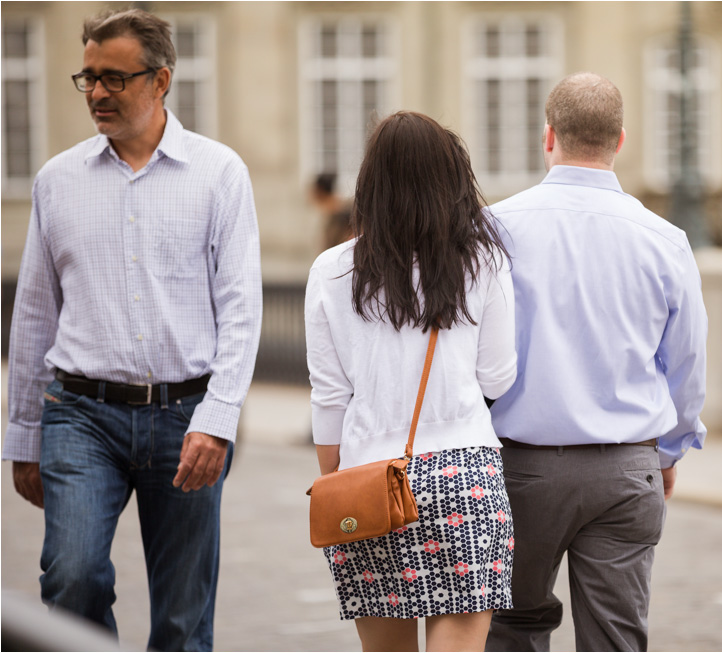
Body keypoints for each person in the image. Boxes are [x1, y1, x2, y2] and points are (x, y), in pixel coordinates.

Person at [2, 9, 262, 651]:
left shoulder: (219, 173)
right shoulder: (57, 182)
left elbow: (241, 307)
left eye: (114, 79)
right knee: (72, 578)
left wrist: (219, 418)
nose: (96, 93)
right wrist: (23, 436)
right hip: (80, 414)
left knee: (181, 615)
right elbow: (35, 312)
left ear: (161, 79)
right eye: (87, 77)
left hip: (187, 417)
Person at [485, 72, 709, 652]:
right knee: (616, 639)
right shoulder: (665, 238)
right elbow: (686, 361)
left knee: (513, 628)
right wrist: (669, 451)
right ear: (621, 140)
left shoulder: (494, 229)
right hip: (627, 468)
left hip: (520, 468)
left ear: (548, 136)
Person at [305, 111, 517, 652]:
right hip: (463, 478)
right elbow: (498, 374)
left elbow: (329, 396)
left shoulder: (331, 271)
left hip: (369, 481)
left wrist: (334, 479)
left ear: (370, 184)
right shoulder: (483, 262)